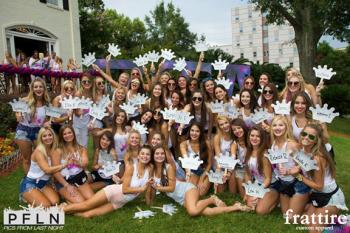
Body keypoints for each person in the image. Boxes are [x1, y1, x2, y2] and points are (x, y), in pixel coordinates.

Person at [149, 145, 250, 216]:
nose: (160, 156)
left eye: (162, 153)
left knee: (193, 212)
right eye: (157, 153)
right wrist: (150, 200)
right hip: (179, 198)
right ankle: (235, 207)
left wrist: (157, 187)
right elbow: (152, 187)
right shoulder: (151, 169)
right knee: (204, 211)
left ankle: (212, 199)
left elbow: (171, 188)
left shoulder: (168, 167)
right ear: (153, 155)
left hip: (187, 190)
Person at [63, 145, 153, 218]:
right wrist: (141, 189)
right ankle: (57, 210)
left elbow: (148, 188)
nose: (145, 156)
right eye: (142, 154)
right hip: (113, 192)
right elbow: (125, 190)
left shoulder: (150, 169)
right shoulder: (132, 167)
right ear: (138, 156)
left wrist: (149, 204)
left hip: (119, 202)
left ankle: (68, 207)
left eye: (147, 154)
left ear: (150, 157)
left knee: (87, 215)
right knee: (86, 205)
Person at [291, 124, 348, 232]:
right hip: (317, 195)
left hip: (329, 196)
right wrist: (296, 168)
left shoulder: (317, 158)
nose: (306, 138)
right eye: (304, 134)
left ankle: (342, 222)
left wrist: (298, 176)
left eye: (311, 137)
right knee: (297, 219)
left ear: (316, 140)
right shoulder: (302, 150)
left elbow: (319, 186)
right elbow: (304, 165)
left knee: (313, 230)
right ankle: (329, 216)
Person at [269, 116, 309, 217]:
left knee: (291, 218)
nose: (277, 128)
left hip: (297, 184)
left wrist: (291, 171)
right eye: (274, 125)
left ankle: (311, 206)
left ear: (286, 127)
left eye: (281, 125)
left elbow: (304, 165)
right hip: (283, 184)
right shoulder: (273, 144)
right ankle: (301, 205)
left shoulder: (292, 145)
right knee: (285, 215)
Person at [19, 127, 66, 207]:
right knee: (45, 206)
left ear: (53, 136)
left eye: (50, 135)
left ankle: (36, 197)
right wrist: (64, 165)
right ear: (41, 138)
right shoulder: (39, 152)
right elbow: (47, 170)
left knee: (55, 202)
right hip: (31, 183)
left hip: (44, 184)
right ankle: (26, 195)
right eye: (44, 136)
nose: (48, 138)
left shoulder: (53, 150)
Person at [15, 77, 51, 173]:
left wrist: (47, 123)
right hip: (23, 130)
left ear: (44, 88)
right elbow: (18, 114)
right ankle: (29, 183)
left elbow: (46, 121)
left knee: (42, 156)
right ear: (32, 89)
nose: (38, 89)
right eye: (35, 87)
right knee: (27, 159)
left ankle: (43, 178)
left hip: (38, 132)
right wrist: (18, 115)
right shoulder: (24, 101)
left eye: (40, 87)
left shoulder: (47, 103)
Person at [52, 125, 94, 203]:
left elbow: (85, 163)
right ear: (61, 136)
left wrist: (78, 163)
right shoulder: (58, 150)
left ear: (73, 134)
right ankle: (65, 202)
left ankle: (69, 200)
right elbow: (55, 172)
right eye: (65, 134)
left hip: (79, 178)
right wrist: (67, 185)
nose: (68, 135)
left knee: (91, 200)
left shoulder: (81, 148)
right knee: (81, 202)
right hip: (64, 181)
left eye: (69, 132)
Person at [243, 126, 279, 214]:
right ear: (249, 137)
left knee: (260, 211)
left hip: (271, 186)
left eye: (258, 136)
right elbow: (248, 174)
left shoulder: (264, 155)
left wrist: (257, 193)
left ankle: (278, 199)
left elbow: (268, 179)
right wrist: (248, 191)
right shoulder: (247, 152)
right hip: (258, 184)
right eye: (252, 135)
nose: (254, 138)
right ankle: (264, 199)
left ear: (262, 139)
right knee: (250, 206)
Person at [179, 123, 212, 196]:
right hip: (191, 170)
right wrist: (188, 173)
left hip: (205, 170)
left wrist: (201, 178)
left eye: (197, 131)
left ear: (200, 133)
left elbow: (210, 163)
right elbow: (185, 160)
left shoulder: (207, 143)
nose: (194, 133)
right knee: (192, 192)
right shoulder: (183, 144)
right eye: (192, 130)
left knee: (201, 193)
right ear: (189, 131)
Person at [213, 116, 235, 193]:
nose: (225, 126)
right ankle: (223, 182)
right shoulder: (217, 137)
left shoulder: (234, 135)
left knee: (233, 192)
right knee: (219, 191)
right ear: (219, 127)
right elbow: (218, 155)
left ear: (229, 123)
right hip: (220, 163)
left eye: (226, 123)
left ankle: (229, 179)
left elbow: (234, 156)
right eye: (221, 124)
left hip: (232, 163)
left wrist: (229, 171)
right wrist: (218, 170)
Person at [230, 118, 248, 198]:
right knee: (243, 196)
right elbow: (232, 157)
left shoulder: (251, 139)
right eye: (234, 130)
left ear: (243, 127)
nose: (237, 131)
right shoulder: (235, 143)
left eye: (239, 128)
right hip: (241, 169)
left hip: (253, 170)